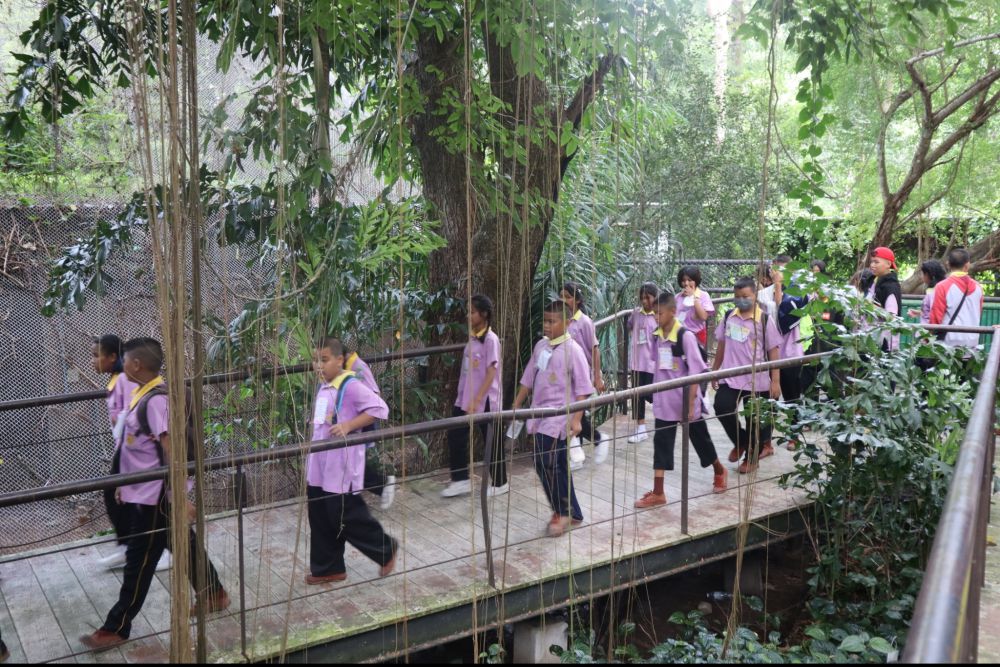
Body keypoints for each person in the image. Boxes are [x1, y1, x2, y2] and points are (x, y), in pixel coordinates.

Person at [81, 338, 229, 652]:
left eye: (126, 359)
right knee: (184, 544)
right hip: (144, 493)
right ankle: (213, 593)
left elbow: (171, 451)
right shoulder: (140, 394)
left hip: (156, 499)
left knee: (139, 562)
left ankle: (116, 627)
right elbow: (135, 447)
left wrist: (179, 498)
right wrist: (124, 484)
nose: (122, 364)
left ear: (136, 365)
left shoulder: (157, 401)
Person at [305, 338, 398, 585]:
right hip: (319, 465)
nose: (319, 365)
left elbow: (379, 409)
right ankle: (328, 567)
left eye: (324, 360)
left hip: (340, 465)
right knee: (320, 514)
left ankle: (385, 549)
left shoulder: (350, 385)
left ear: (339, 360)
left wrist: (349, 425)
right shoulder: (325, 386)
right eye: (315, 360)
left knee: (345, 514)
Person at [511, 300, 595, 537]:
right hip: (538, 414)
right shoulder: (541, 346)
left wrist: (576, 420)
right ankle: (572, 512)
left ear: (566, 323)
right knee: (555, 464)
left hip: (559, 418)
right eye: (545, 321)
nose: (546, 325)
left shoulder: (574, 351)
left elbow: (583, 389)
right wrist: (516, 404)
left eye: (552, 321)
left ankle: (562, 511)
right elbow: (529, 377)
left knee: (546, 462)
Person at [635, 293, 727, 508]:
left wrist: (691, 403)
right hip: (665, 401)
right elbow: (658, 365)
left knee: (700, 440)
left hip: (686, 400)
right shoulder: (657, 336)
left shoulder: (685, 337)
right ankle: (658, 492)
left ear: (672, 312)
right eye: (654, 313)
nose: (656, 317)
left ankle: (719, 469)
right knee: (661, 444)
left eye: (660, 313)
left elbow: (696, 371)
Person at [92, 335, 171, 572]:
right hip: (127, 447)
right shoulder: (118, 379)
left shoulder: (128, 381)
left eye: (96, 355)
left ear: (112, 357)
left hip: (136, 451)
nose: (93, 361)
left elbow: (135, 417)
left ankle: (138, 548)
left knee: (139, 503)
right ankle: (131, 546)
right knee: (127, 499)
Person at [711, 278, 782, 474]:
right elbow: (722, 344)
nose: (741, 300)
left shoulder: (764, 320)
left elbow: (774, 351)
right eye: (737, 296)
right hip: (730, 376)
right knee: (722, 407)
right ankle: (740, 441)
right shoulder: (729, 316)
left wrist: (775, 381)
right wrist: (715, 371)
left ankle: (751, 458)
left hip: (756, 380)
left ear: (755, 296)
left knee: (754, 420)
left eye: (745, 296)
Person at [443, 294, 507, 498]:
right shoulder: (472, 337)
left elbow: (491, 371)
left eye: (472, 312)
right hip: (465, 398)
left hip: (485, 399)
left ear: (484, 314)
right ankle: (461, 479)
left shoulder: (491, 339)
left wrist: (478, 399)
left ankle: (501, 482)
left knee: (492, 439)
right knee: (455, 433)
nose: (468, 316)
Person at [560, 282, 609, 468]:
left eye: (567, 297)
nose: (563, 300)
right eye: (561, 296)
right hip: (566, 376)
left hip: (581, 375)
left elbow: (595, 349)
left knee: (575, 414)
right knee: (573, 414)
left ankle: (597, 439)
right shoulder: (562, 319)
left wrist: (597, 377)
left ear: (577, 300)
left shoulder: (584, 322)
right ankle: (577, 455)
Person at [343, 347, 396, 511]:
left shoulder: (358, 368)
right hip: (350, 424)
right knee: (350, 463)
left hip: (360, 425)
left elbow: (374, 397)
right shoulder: (346, 368)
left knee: (352, 463)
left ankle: (382, 484)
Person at [930, 247, 984, 353]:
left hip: (949, 345)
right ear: (967, 265)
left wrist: (928, 339)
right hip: (972, 344)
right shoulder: (978, 287)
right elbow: (979, 312)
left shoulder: (942, 286)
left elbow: (936, 318)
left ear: (948, 264)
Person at [627, 283, 659, 443]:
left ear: (655, 297)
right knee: (637, 395)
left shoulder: (658, 315)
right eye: (642, 297)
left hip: (652, 364)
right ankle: (641, 428)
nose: (644, 301)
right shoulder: (636, 313)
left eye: (648, 297)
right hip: (637, 362)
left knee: (652, 395)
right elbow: (629, 326)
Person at [867, 246, 902, 352]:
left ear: (888, 264)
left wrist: (869, 306)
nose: (872, 265)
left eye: (876, 262)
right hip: (873, 338)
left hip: (885, 341)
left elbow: (891, 317)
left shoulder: (891, 287)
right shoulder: (874, 281)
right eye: (871, 262)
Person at [675, 266, 715, 352]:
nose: (686, 283)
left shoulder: (703, 296)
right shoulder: (677, 297)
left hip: (696, 339)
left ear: (696, 281)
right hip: (679, 337)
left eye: (690, 280)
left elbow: (703, 317)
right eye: (683, 280)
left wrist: (693, 297)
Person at [757, 255, 792, 320]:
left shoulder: (794, 286)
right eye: (777, 271)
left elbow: (778, 304)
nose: (779, 274)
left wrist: (777, 283)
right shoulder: (775, 286)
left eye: (783, 271)